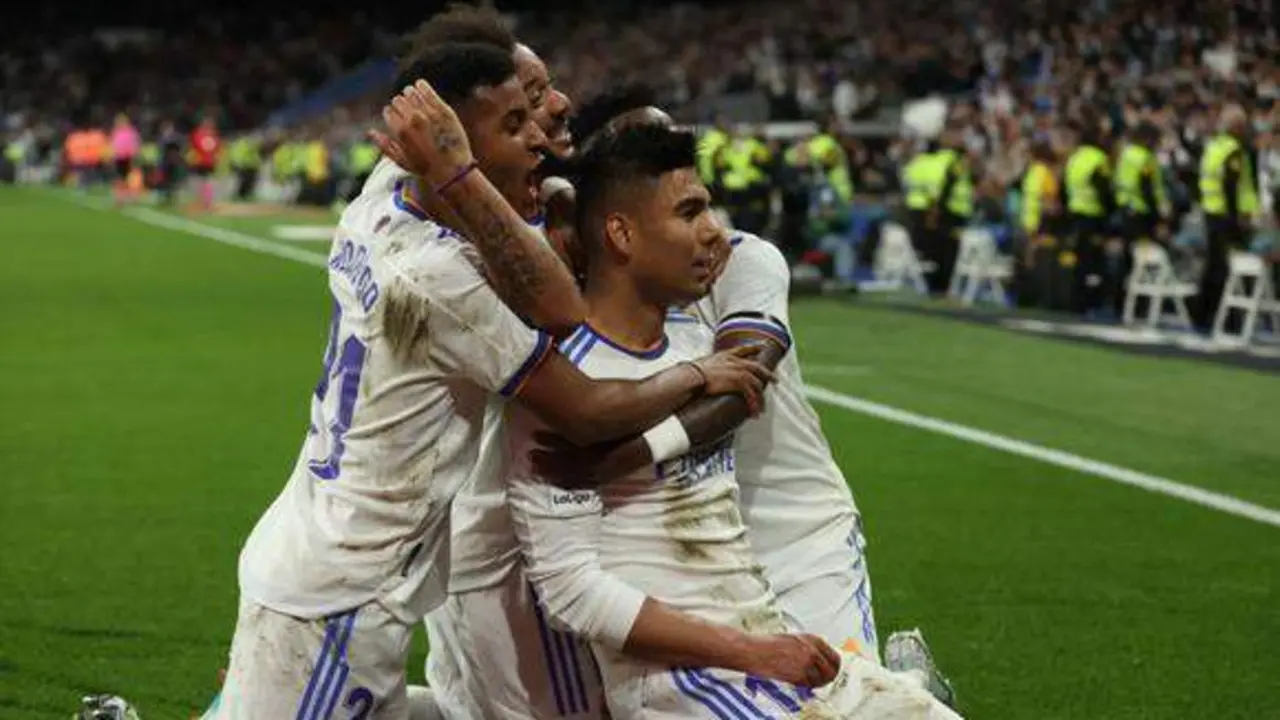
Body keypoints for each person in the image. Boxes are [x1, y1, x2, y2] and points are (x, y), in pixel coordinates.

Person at [208, 43, 771, 719]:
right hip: (342, 586)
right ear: (447, 148)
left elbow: (516, 197)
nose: (541, 126)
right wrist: (696, 372)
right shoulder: (439, 277)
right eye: (517, 119)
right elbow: (576, 369)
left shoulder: (383, 193)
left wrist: (500, 167)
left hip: (351, 553)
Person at [416, 88, 840, 719]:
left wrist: (631, 451)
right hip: (515, 554)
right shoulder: (558, 347)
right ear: (618, 220)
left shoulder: (740, 262)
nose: (708, 228)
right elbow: (582, 432)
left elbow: (738, 389)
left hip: (790, 525)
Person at [514, 123, 962, 719]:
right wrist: (752, 651)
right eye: (689, 211)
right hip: (680, 680)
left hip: (764, 636)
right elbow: (573, 594)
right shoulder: (564, 385)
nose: (712, 231)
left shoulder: (700, 342)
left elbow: (738, 393)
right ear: (620, 233)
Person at [1196, 105, 1259, 330]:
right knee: (1226, 269)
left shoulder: (1213, 146)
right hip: (1227, 215)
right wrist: (1238, 219)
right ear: (1237, 126)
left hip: (1211, 211)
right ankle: (1229, 319)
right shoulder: (1234, 150)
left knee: (1213, 266)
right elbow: (1232, 186)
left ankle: (1203, 314)